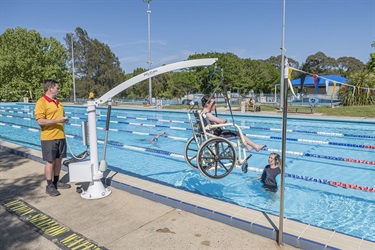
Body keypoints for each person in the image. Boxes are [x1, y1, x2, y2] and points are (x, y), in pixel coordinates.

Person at [34, 79, 71, 197]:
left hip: (60, 135)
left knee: (59, 160)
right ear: (50, 88)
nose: (59, 90)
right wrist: (57, 121)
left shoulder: (58, 102)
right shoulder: (41, 102)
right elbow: (40, 121)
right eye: (57, 88)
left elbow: (58, 117)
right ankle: (49, 185)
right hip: (49, 137)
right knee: (50, 161)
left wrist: (64, 120)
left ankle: (56, 181)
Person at [201, 95, 266, 152]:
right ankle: (255, 146)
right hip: (217, 134)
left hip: (213, 133)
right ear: (207, 104)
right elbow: (220, 121)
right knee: (238, 133)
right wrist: (224, 119)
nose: (216, 104)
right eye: (213, 103)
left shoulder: (203, 112)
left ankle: (248, 146)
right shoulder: (207, 114)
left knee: (235, 133)